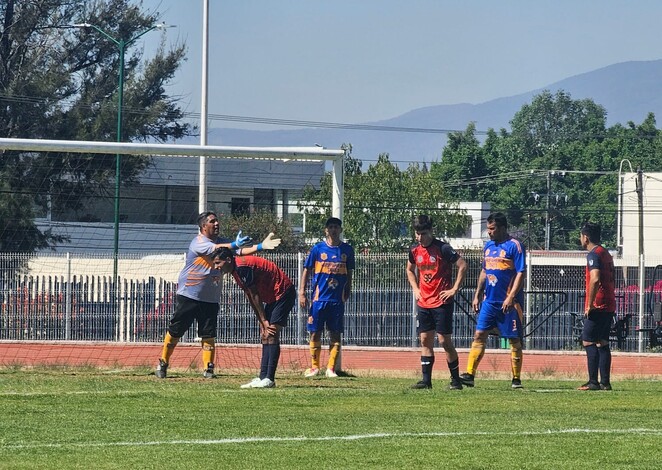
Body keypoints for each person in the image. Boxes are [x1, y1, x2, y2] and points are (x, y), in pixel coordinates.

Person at [155, 211, 281, 379]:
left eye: (217, 221)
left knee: (208, 333)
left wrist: (260, 247)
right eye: (212, 221)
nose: (217, 224)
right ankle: (163, 363)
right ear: (203, 226)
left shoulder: (222, 243)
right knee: (176, 331)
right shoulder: (198, 242)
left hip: (210, 298)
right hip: (189, 295)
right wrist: (234, 244)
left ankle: (208, 368)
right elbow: (219, 249)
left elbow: (238, 252)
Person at [460, 212, 526, 389]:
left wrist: (511, 297)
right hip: (489, 302)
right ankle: (470, 375)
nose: (489, 232)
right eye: (488, 229)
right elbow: (484, 271)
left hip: (509, 303)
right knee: (479, 334)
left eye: (492, 229)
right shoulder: (488, 247)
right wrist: (477, 294)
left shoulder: (515, 246)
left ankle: (516, 379)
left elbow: (521, 273)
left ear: (502, 228)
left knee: (514, 340)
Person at [213, 247, 295, 388]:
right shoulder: (235, 271)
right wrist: (261, 321)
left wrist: (264, 320)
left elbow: (254, 294)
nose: (216, 267)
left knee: (272, 333)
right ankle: (263, 376)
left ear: (227, 260)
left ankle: (269, 378)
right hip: (271, 297)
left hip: (282, 293)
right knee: (265, 335)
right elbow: (249, 295)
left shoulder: (242, 267)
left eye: (217, 263)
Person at [406, 215, 467, 390]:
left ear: (431, 231)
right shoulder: (414, 250)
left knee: (443, 341)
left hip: (441, 302)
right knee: (425, 340)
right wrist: (415, 289)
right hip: (424, 302)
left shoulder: (443, 248)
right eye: (417, 234)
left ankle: (456, 381)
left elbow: (462, 265)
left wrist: (454, 289)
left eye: (423, 234)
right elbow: (410, 270)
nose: (419, 238)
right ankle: (426, 381)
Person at [299, 217, 355, 378]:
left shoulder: (347, 250)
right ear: (326, 230)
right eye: (330, 227)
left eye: (336, 227)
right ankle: (314, 367)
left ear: (340, 230)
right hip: (318, 300)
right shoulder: (317, 249)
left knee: (335, 333)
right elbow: (306, 270)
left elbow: (350, 272)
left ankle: (331, 369)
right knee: (315, 332)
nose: (333, 230)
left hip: (336, 300)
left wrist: (348, 288)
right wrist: (302, 292)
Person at [578, 222, 615, 391]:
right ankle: (605, 382)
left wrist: (590, 303)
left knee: (588, 340)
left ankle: (593, 382)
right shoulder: (606, 253)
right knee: (602, 342)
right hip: (609, 303)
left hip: (598, 304)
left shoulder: (593, 254)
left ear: (585, 237)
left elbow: (595, 278)